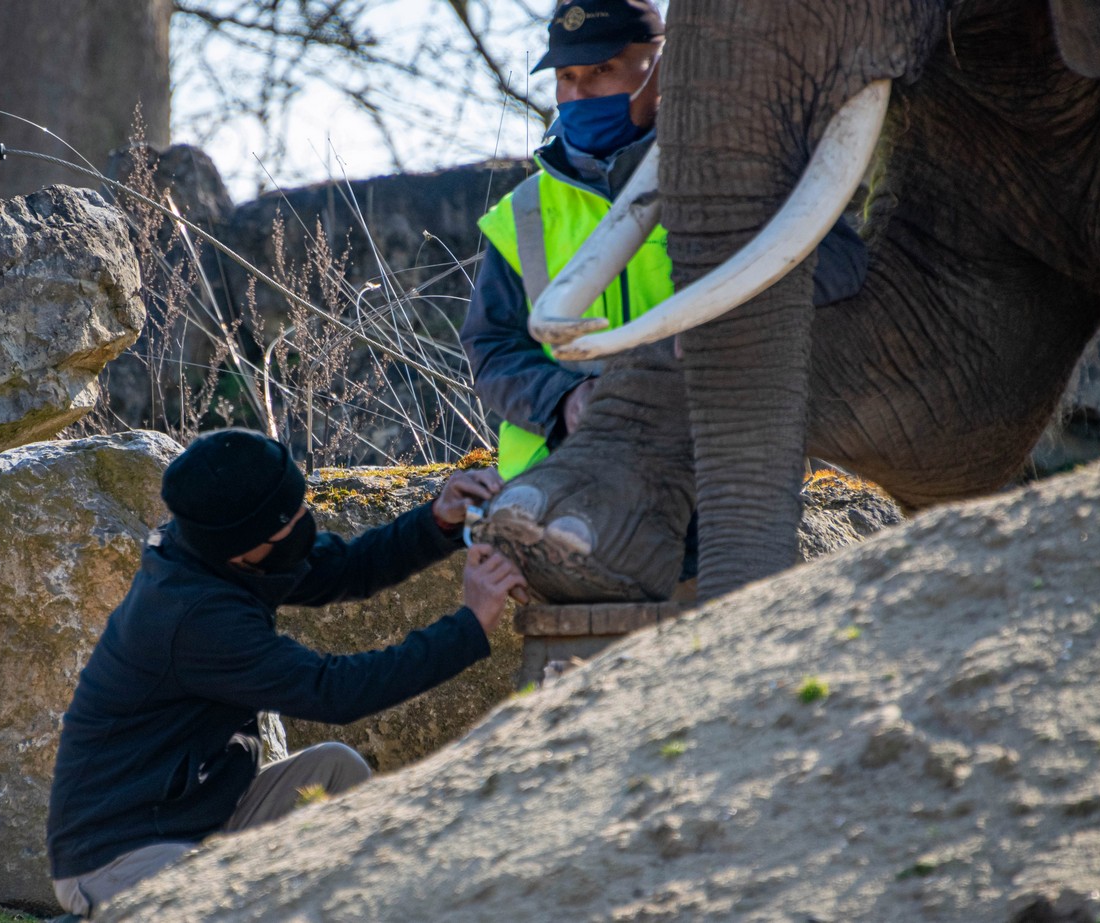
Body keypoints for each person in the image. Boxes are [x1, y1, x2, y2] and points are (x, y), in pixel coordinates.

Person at [46, 427, 526, 919]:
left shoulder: (217, 554)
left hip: (202, 813)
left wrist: (437, 521)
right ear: (243, 544)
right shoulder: (195, 617)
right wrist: (470, 625)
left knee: (335, 771)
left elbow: (344, 569)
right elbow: (334, 692)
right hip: (119, 851)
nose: (304, 522)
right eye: (289, 519)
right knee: (227, 907)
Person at [460, 0, 869, 481]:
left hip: (719, 477)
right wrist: (563, 402)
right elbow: (491, 348)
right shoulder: (524, 212)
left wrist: (723, 330)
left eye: (603, 69)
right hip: (558, 481)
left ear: (662, 65)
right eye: (566, 76)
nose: (579, 92)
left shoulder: (739, 171)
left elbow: (841, 271)